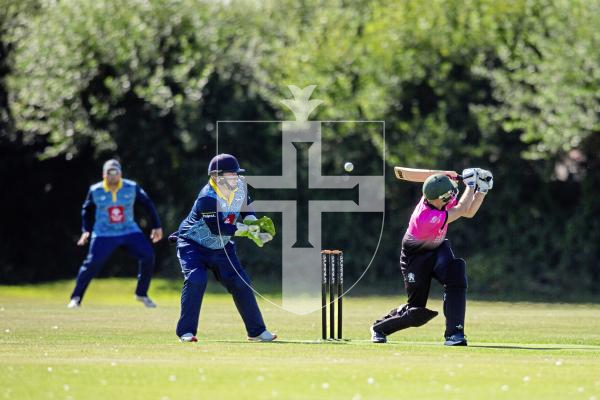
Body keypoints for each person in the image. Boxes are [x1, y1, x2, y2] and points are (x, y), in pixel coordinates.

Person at [370, 168, 493, 346]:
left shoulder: (438, 200)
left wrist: (482, 190)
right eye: (449, 194)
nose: (452, 196)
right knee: (416, 313)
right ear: (439, 198)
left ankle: (454, 334)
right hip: (415, 259)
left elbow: (468, 212)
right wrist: (472, 185)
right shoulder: (425, 217)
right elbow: (461, 209)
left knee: (456, 276)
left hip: (438, 248)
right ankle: (379, 328)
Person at [170, 154, 277, 343]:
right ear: (216, 176)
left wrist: (255, 225)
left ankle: (256, 332)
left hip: (221, 247)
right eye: (231, 174)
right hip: (192, 244)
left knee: (240, 282)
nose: (236, 177)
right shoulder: (207, 198)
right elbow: (219, 228)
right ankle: (186, 332)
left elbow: (246, 210)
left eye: (237, 173)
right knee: (196, 278)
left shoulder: (241, 186)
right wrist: (247, 231)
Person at [68, 159, 163, 308]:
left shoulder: (131, 187)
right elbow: (86, 210)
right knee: (92, 263)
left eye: (115, 172)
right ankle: (76, 298)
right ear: (103, 175)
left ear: (121, 174)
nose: (112, 176)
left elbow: (147, 204)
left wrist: (157, 226)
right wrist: (86, 230)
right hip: (103, 233)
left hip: (128, 230)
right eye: (109, 173)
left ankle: (141, 293)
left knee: (148, 255)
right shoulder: (95, 190)